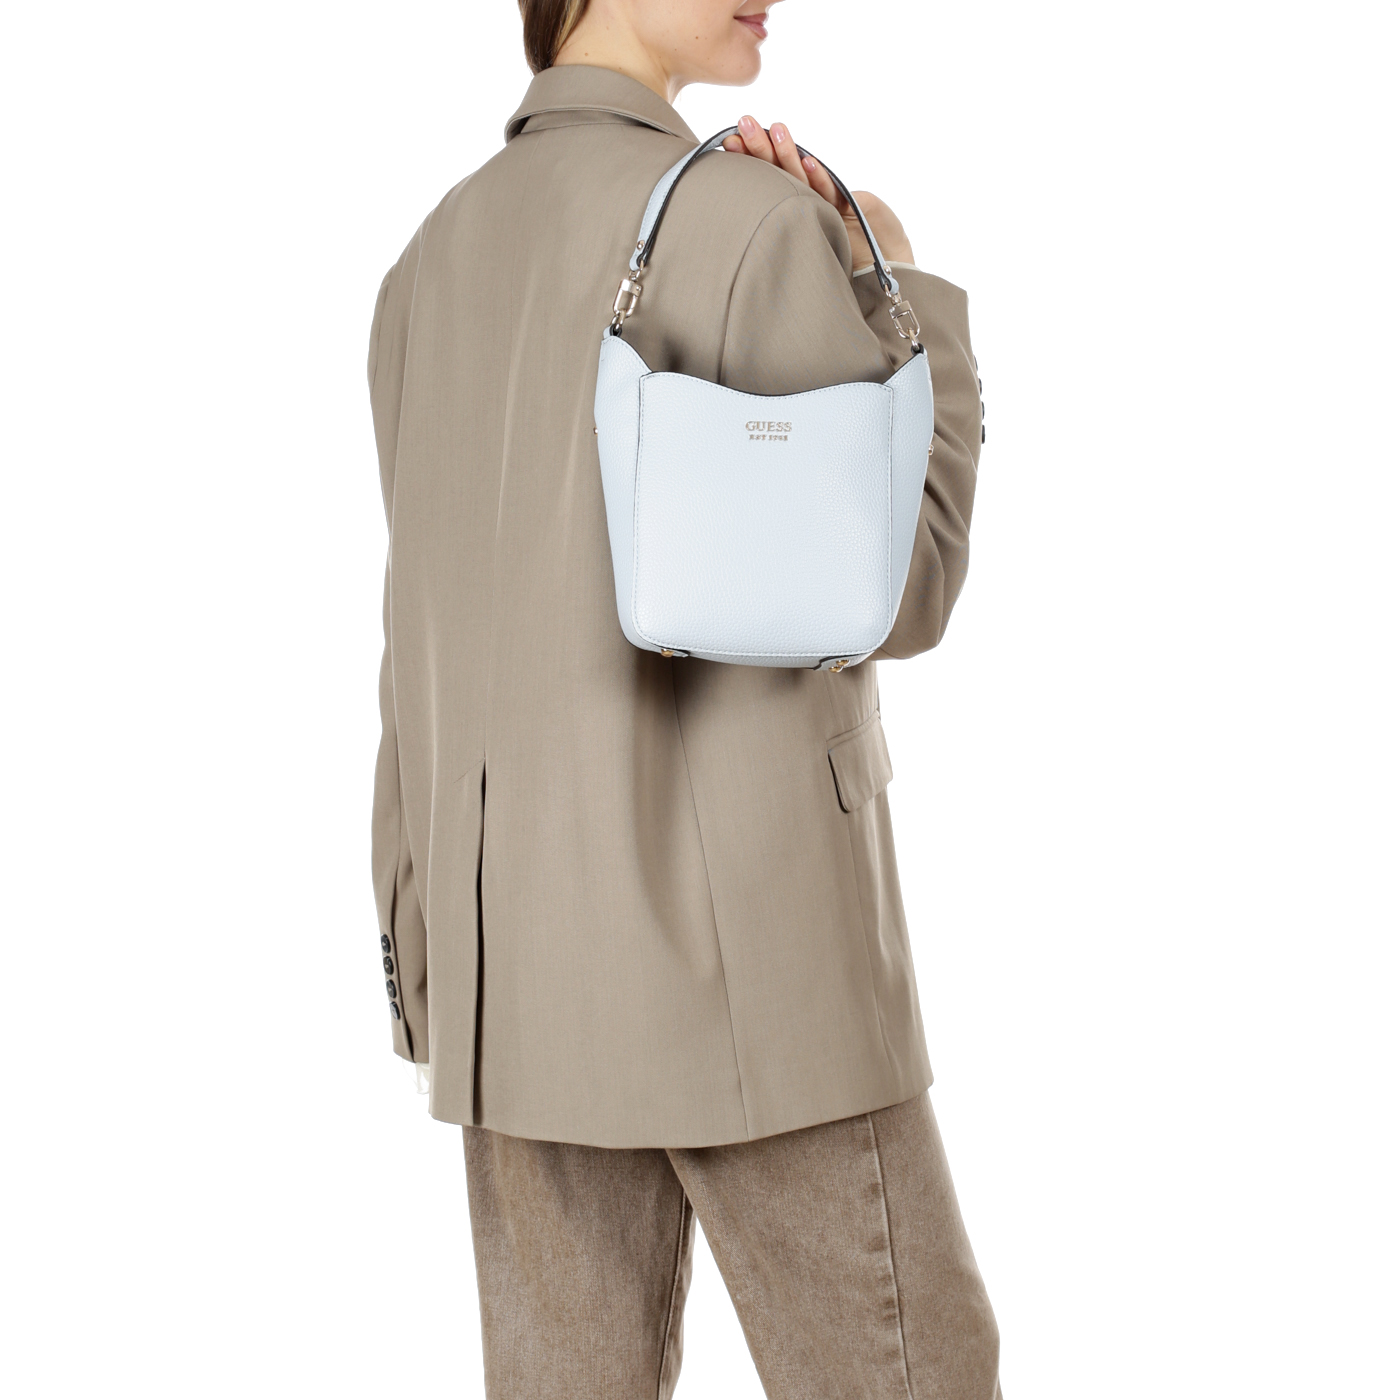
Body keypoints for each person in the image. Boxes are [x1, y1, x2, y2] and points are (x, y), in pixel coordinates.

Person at [366, 1, 998, 1395]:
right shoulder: (758, 227)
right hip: (760, 980)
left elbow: (412, 650)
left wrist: (428, 967)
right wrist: (898, 277)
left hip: (510, 981)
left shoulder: (428, 263)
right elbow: (908, 585)